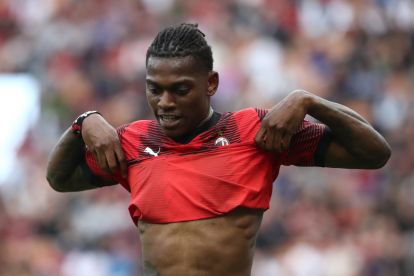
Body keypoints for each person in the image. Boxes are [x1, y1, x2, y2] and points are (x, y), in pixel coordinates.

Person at [46, 23, 391, 275]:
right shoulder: (134, 142)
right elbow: (60, 179)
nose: (165, 102)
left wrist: (309, 101)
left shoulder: (255, 133)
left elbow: (375, 153)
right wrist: (83, 122)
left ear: (211, 83)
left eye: (180, 90)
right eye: (155, 89)